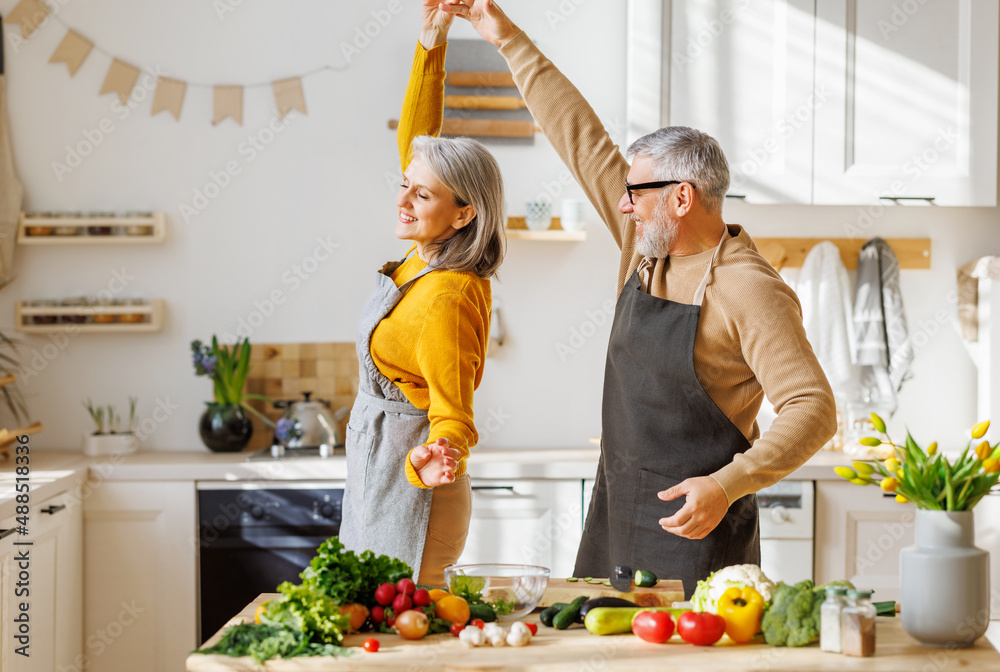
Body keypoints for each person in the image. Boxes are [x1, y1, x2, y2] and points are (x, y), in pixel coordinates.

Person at [443, 0, 836, 596]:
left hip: (699, 527)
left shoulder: (748, 288)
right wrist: (504, 35)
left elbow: (812, 406)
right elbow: (579, 136)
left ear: (682, 197)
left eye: (635, 193)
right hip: (617, 513)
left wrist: (729, 483)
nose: (622, 205)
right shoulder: (645, 246)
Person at [339, 1, 506, 587]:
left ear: (463, 215)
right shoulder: (423, 257)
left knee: (409, 632)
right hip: (380, 466)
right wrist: (431, 42)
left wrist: (439, 453)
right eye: (404, 188)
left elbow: (453, 410)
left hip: (418, 481)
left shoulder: (447, 295)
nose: (402, 201)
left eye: (421, 196)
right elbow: (419, 139)